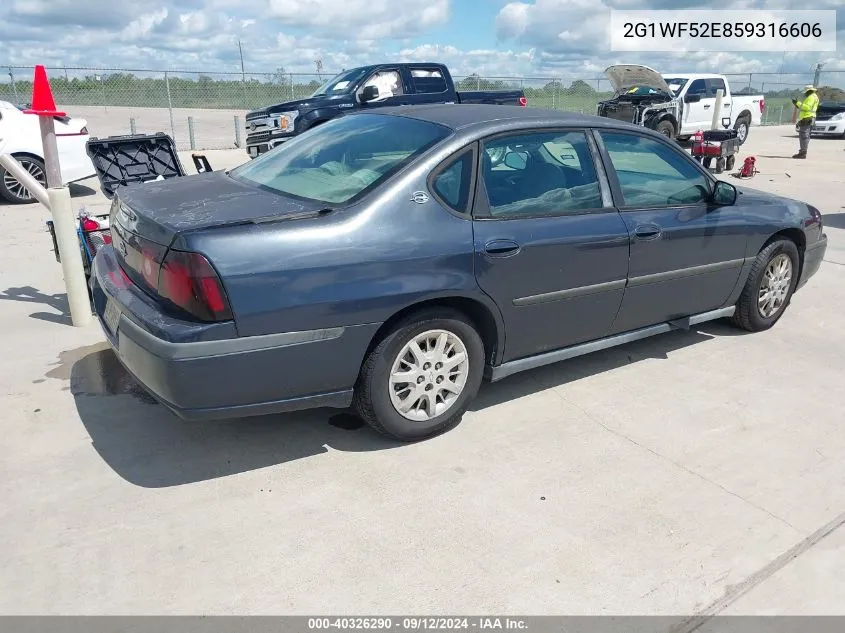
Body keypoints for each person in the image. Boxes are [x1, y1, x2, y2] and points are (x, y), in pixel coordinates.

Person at [792, 85, 819, 159]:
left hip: (807, 118)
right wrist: (797, 104)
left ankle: (803, 153)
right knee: (806, 136)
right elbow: (806, 107)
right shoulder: (815, 97)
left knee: (803, 136)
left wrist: (797, 103)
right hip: (810, 117)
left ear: (809, 91)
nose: (805, 94)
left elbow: (807, 107)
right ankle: (803, 152)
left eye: (806, 92)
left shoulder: (810, 97)